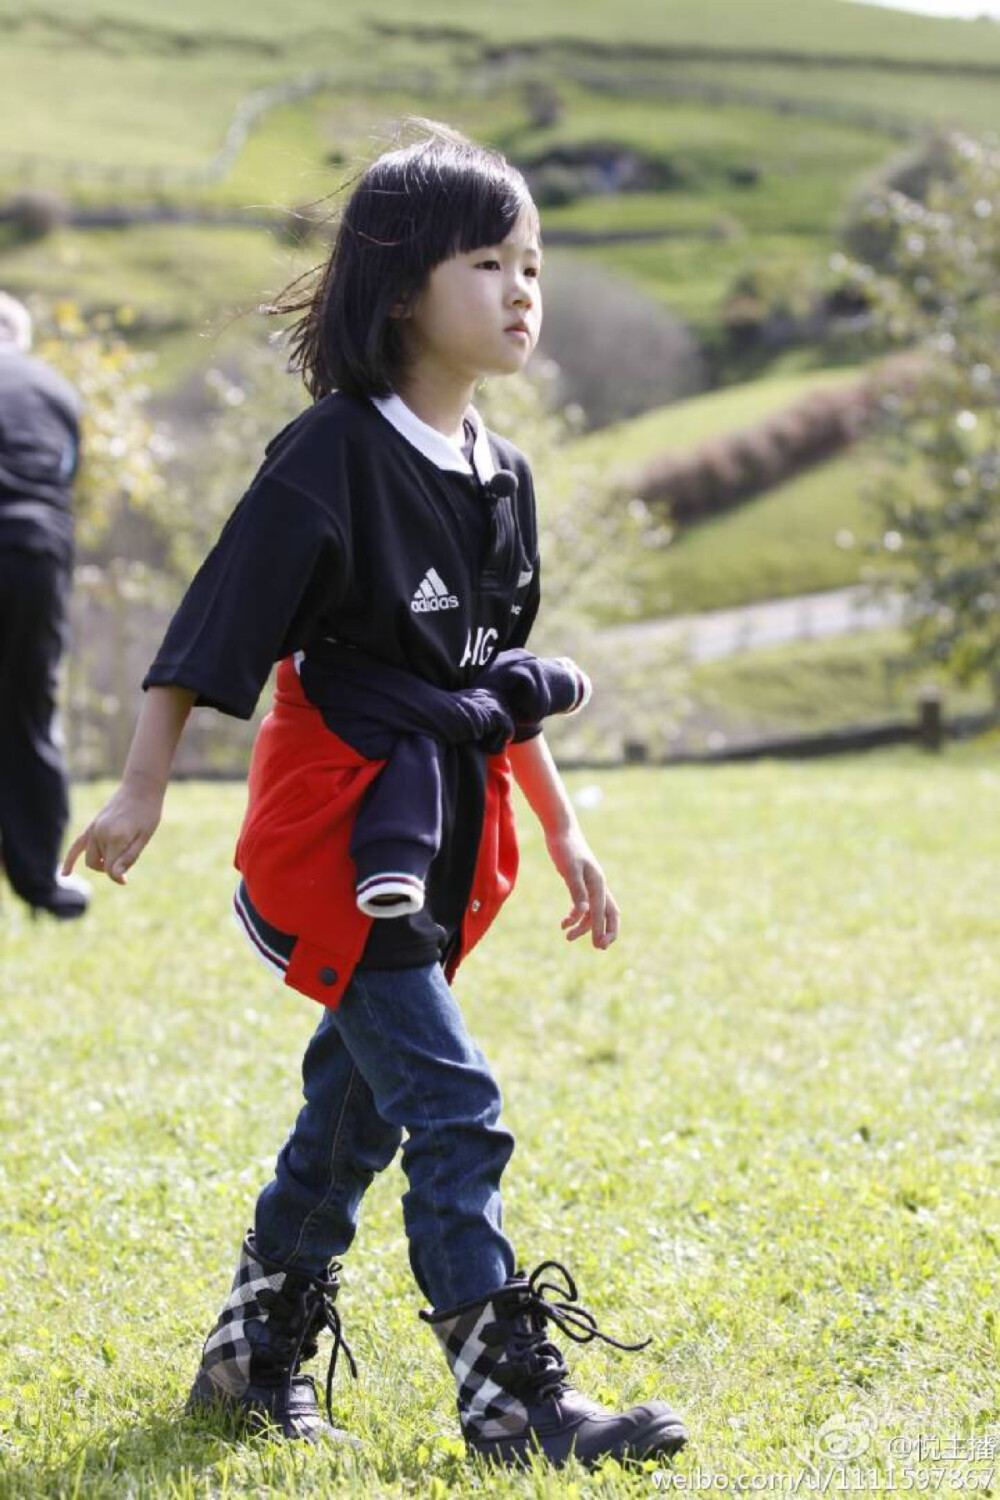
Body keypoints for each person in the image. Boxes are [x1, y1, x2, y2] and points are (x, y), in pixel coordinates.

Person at [63, 124, 687, 1470]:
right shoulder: (331, 452)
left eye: (534, 262)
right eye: (488, 260)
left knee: (354, 1115)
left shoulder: (504, 478)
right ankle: (510, 1398)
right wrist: (140, 789)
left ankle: (248, 1360)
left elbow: (496, 684)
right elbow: (212, 625)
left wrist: (566, 827)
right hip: (337, 832)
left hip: (446, 831)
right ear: (404, 287)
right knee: (456, 1100)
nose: (524, 288)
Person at [0, 291, 89, 919]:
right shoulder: (56, 390)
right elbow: (64, 475)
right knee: (30, 709)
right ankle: (40, 879)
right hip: (34, 555)